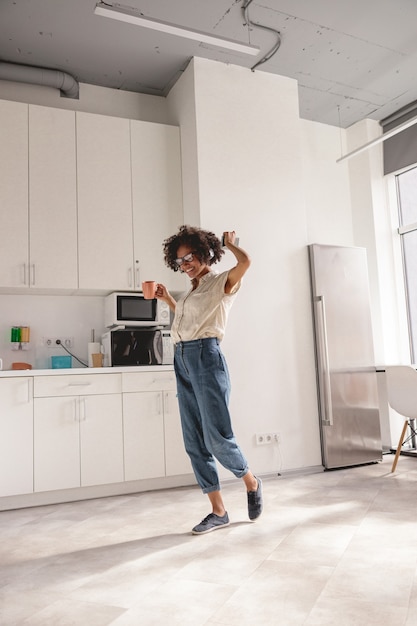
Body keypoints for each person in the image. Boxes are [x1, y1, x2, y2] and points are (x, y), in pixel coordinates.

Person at [155, 225, 262, 535]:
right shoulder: (191, 291)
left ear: (204, 253)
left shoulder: (220, 284)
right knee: (193, 439)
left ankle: (251, 482)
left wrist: (231, 246)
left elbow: (246, 263)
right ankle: (218, 511)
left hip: (206, 358)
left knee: (216, 436)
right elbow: (189, 323)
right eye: (179, 260)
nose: (185, 264)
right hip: (182, 359)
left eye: (189, 257)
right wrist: (168, 300)